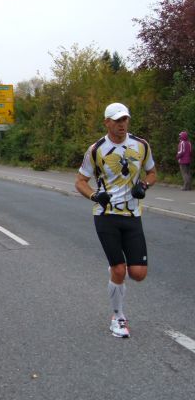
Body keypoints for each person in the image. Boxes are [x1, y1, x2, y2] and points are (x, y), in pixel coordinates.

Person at [75, 102, 156, 338]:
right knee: (120, 270)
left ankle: (115, 268)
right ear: (107, 122)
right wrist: (93, 195)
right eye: (117, 120)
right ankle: (118, 317)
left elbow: (152, 173)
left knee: (138, 274)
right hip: (106, 214)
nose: (122, 124)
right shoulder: (96, 149)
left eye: (125, 120)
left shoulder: (141, 145)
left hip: (132, 215)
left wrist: (144, 185)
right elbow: (80, 180)